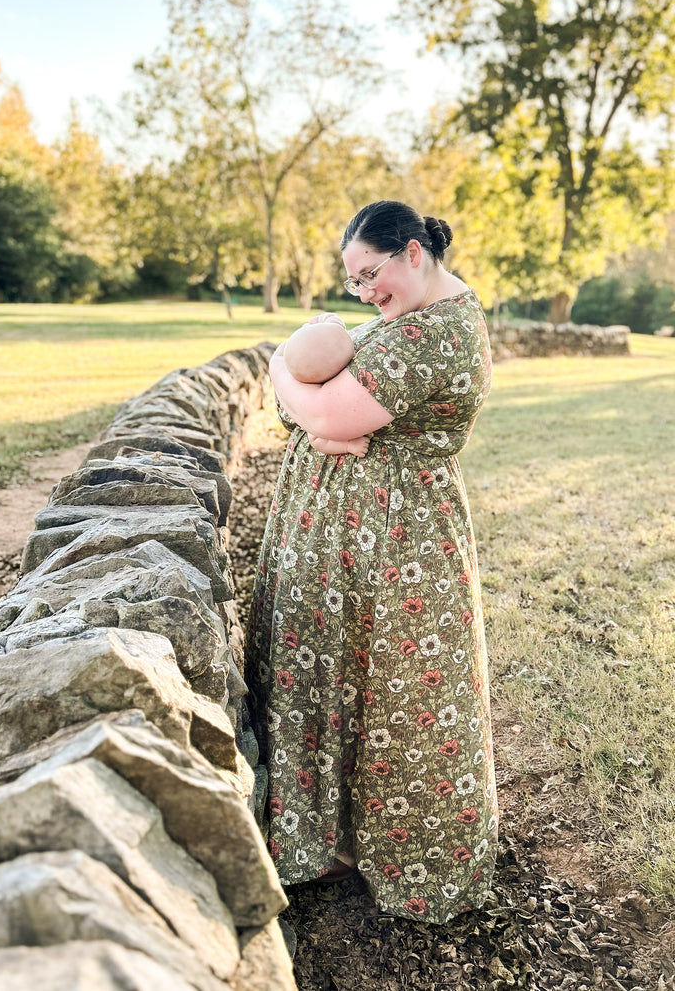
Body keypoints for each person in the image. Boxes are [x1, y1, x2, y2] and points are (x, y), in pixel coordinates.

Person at [246, 200, 498, 925]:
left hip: (397, 542)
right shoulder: (409, 315)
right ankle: (326, 839)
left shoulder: (436, 332)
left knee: (395, 689)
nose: (362, 294)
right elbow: (315, 411)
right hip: (354, 533)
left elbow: (326, 414)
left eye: (369, 274)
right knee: (330, 674)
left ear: (413, 251)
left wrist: (284, 376)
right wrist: (305, 399)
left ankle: (399, 855)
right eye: (352, 282)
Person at [282, 313, 369, 458]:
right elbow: (336, 325)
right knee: (317, 436)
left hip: (345, 421)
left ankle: (348, 444)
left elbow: (335, 327)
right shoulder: (339, 353)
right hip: (343, 423)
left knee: (316, 437)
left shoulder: (316, 371)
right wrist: (324, 320)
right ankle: (348, 445)